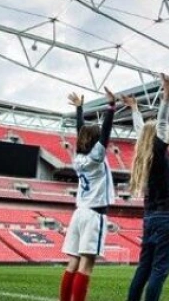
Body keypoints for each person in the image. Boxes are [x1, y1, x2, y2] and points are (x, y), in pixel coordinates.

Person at [125, 73, 169, 301]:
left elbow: (142, 131)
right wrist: (166, 96)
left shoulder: (146, 155)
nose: (168, 134)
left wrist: (135, 109)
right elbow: (160, 123)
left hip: (149, 218)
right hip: (165, 219)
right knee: (160, 271)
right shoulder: (158, 152)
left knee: (144, 268)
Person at [59, 88, 116, 301]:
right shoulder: (96, 158)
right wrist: (111, 107)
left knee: (72, 262)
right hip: (94, 215)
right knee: (86, 264)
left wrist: (79, 108)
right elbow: (106, 133)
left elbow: (81, 132)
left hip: (79, 213)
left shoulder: (78, 158)